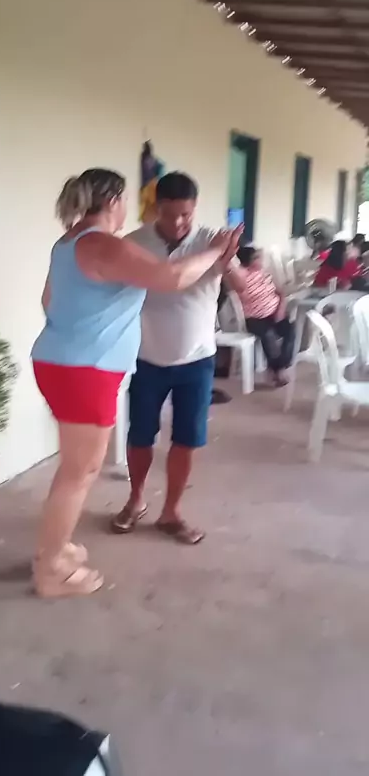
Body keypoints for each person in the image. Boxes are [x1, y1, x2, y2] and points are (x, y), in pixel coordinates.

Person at [31, 168, 239, 597]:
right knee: (80, 472)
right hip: (86, 371)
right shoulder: (104, 244)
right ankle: (50, 570)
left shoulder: (68, 242)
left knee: (74, 467)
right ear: (113, 200)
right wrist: (215, 250)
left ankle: (56, 548)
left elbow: (48, 301)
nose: (127, 208)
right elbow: (172, 278)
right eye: (125, 199)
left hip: (57, 361)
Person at [111, 172, 243, 544]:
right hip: (146, 357)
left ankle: (171, 512)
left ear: (195, 208)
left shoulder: (212, 241)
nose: (178, 222)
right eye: (169, 214)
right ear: (156, 208)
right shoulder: (135, 242)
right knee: (140, 435)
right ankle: (136, 500)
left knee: (187, 438)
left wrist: (228, 259)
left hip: (197, 359)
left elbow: (242, 287)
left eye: (186, 214)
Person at [228, 245, 295, 387]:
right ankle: (279, 370)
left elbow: (280, 292)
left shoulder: (263, 273)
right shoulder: (240, 276)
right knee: (268, 334)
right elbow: (233, 285)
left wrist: (281, 309)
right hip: (254, 318)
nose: (261, 260)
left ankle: (280, 366)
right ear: (248, 261)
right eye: (257, 258)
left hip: (275, 313)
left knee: (290, 330)